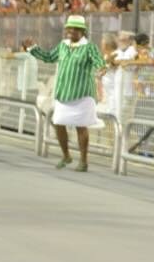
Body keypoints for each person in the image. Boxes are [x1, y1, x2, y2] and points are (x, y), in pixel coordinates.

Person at [23, 15, 106, 172]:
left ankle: (83, 161)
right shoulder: (63, 45)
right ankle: (66, 155)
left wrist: (102, 69)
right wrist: (32, 49)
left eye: (75, 28)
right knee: (58, 123)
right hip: (63, 93)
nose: (71, 31)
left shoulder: (89, 47)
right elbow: (48, 57)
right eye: (69, 28)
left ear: (82, 31)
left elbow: (99, 62)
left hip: (82, 94)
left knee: (81, 127)